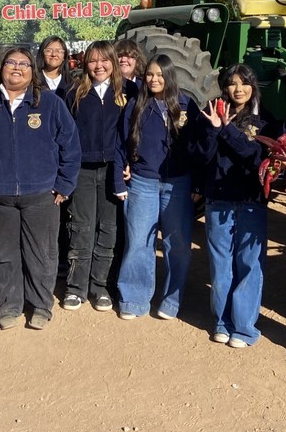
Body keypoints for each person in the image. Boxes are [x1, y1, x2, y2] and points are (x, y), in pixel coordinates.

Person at [0, 47, 81, 330]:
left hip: (41, 195)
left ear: (32, 70)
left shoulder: (49, 104)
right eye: (11, 63)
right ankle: (9, 306)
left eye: (24, 63)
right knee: (4, 255)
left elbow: (70, 146)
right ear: (0, 68)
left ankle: (40, 306)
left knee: (41, 254)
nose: (17, 68)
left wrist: (65, 183)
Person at [115, 54, 201, 321]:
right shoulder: (136, 105)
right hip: (143, 182)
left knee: (178, 244)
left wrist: (198, 183)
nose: (154, 79)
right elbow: (120, 144)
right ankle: (134, 299)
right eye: (150, 74)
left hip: (178, 184)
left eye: (159, 75)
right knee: (139, 242)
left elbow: (199, 148)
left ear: (170, 76)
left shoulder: (187, 105)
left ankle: (171, 300)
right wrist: (120, 178)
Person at [197, 64, 274, 348]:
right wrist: (213, 130)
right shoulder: (211, 112)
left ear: (253, 86)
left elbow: (255, 158)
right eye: (231, 83)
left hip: (251, 200)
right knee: (221, 265)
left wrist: (227, 129)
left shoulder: (265, 121)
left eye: (244, 83)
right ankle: (221, 322)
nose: (237, 89)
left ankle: (243, 327)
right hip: (218, 198)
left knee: (249, 264)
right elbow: (203, 156)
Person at [62, 40, 126, 313]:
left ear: (113, 61)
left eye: (104, 60)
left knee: (108, 229)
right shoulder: (74, 92)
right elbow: (65, 134)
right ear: (85, 63)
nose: (99, 66)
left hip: (113, 170)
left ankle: (100, 286)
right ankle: (76, 287)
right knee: (81, 227)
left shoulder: (127, 93)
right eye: (93, 60)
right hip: (82, 170)